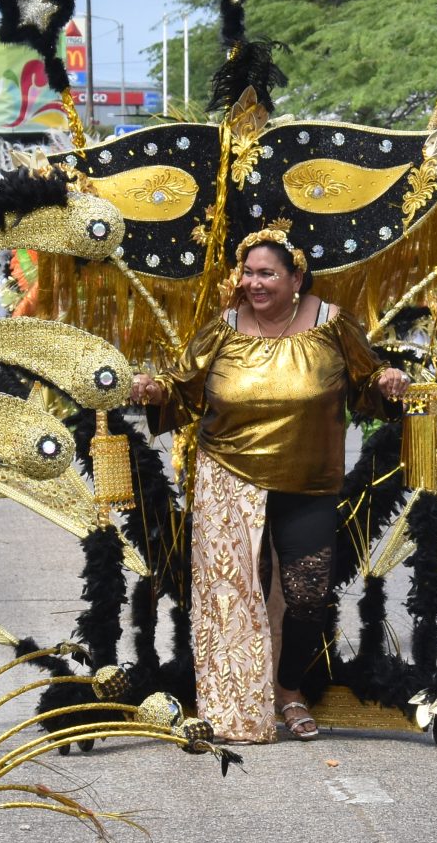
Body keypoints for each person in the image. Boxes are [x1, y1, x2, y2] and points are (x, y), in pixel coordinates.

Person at [128, 228, 407, 743]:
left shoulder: (332, 324)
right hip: (229, 475)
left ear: (296, 278)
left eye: (267, 273)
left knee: (308, 593)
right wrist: (151, 388)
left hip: (309, 482)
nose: (254, 283)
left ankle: (288, 689)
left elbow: (367, 382)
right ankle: (234, 700)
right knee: (237, 595)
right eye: (248, 272)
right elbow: (183, 387)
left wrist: (388, 381)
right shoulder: (223, 328)